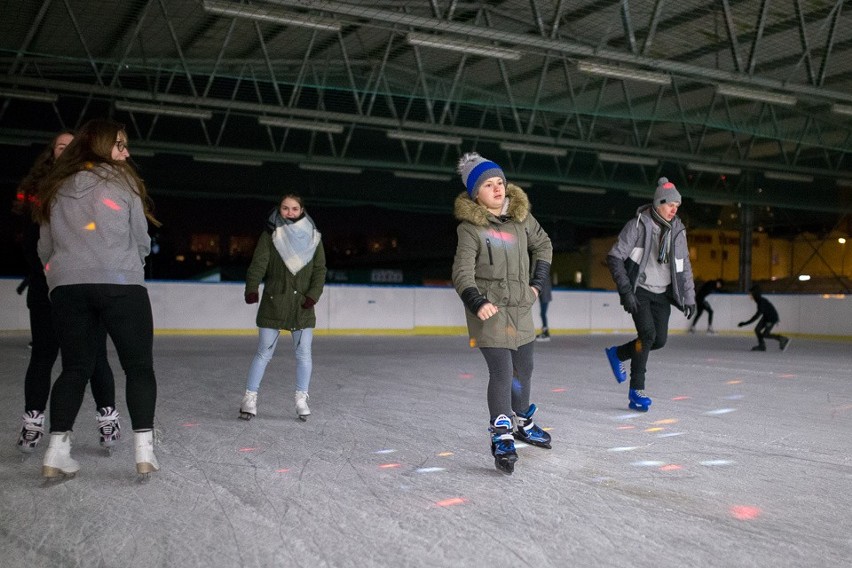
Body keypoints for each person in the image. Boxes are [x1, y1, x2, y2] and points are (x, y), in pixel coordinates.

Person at [34, 118, 160, 478]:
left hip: (68, 289)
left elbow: (45, 246)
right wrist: (132, 265)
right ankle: (144, 453)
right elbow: (140, 236)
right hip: (121, 284)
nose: (127, 152)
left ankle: (56, 453)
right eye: (120, 144)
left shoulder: (55, 186)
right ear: (101, 145)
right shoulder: (124, 181)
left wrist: (60, 276)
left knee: (74, 368)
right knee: (138, 368)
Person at [14, 130, 120, 455]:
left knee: (95, 355)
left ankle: (107, 418)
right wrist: (46, 272)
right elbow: (31, 239)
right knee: (43, 354)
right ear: (52, 153)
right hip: (46, 286)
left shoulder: (92, 187)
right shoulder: (38, 192)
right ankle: (33, 422)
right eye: (61, 146)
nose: (66, 150)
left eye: (72, 146)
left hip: (86, 286)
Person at [451, 152, 553, 475]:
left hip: (521, 310)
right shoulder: (470, 230)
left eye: (500, 183)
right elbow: (461, 273)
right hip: (490, 313)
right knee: (502, 371)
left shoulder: (522, 220)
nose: (497, 189)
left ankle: (522, 420)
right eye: (488, 185)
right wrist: (477, 301)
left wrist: (537, 284)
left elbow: (545, 245)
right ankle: (502, 434)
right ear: (475, 195)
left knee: (524, 369)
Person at [604, 177, 696, 412]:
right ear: (658, 203)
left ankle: (617, 353)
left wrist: (689, 297)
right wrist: (626, 291)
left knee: (659, 340)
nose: (674, 210)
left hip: (663, 293)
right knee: (647, 334)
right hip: (641, 290)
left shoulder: (678, 231)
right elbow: (614, 257)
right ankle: (637, 391)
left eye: (677, 206)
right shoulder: (638, 225)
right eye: (670, 205)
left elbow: (684, 265)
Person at [241, 193, 327, 422]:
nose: (289, 212)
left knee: (304, 354)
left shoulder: (313, 238)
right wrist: (252, 287)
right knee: (263, 353)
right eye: (285, 208)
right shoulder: (270, 235)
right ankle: (249, 398)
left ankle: (301, 399)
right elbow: (259, 263)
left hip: (302, 306)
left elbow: (320, 270)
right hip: (274, 301)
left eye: (294, 209)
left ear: (302, 211)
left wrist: (313, 296)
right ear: (279, 210)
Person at [738, 285, 790, 351]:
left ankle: (782, 339)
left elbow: (757, 316)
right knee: (757, 330)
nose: (749, 296)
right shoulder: (759, 300)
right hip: (766, 317)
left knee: (765, 334)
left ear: (754, 294)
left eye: (750, 294)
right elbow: (759, 314)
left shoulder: (761, 302)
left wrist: (745, 323)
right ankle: (762, 346)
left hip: (771, 318)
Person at [535, 273, 553, 342]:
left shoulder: (544, 275)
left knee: (543, 314)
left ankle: (546, 332)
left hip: (545, 297)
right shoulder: (545, 275)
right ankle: (545, 331)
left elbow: (542, 286)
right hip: (544, 297)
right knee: (542, 314)